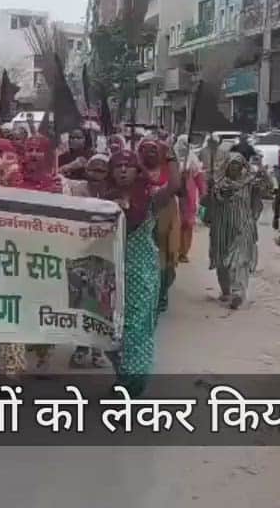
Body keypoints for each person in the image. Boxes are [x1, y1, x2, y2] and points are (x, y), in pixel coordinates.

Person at [107, 146, 180, 396]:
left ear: (137, 171)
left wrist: (171, 157)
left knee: (135, 327)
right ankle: (124, 375)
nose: (124, 170)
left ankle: (130, 385)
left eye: (129, 166)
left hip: (140, 273)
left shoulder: (150, 197)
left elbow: (173, 186)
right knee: (108, 329)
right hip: (108, 271)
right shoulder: (102, 200)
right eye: (118, 166)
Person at [0, 133, 62, 379]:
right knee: (11, 309)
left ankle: (44, 353)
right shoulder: (10, 178)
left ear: (48, 155)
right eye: (30, 149)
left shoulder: (58, 184)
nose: (34, 154)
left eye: (39, 150)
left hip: (45, 259)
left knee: (41, 309)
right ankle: (12, 368)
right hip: (13, 255)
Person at [64, 153, 116, 369]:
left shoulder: (115, 193)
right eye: (93, 169)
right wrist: (71, 164)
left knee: (101, 304)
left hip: (105, 257)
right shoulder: (75, 188)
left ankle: (97, 350)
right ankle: (80, 348)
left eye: (102, 170)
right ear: (86, 171)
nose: (96, 174)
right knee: (79, 303)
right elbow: (54, 176)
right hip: (78, 254)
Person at [207, 153, 273, 309]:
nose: (235, 167)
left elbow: (269, 188)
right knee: (222, 260)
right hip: (222, 228)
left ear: (243, 167)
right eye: (232, 164)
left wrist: (262, 169)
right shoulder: (220, 184)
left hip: (244, 226)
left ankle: (238, 292)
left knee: (240, 259)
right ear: (227, 166)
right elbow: (218, 198)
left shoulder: (250, 183)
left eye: (238, 164)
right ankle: (226, 291)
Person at [140, 139, 181, 312]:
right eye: (145, 150)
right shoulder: (136, 171)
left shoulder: (169, 172)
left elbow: (175, 187)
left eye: (154, 150)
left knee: (166, 260)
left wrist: (174, 162)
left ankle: (162, 293)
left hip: (166, 218)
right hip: (143, 219)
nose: (150, 153)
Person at [175, 135, 206, 263]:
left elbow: (199, 176)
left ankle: (184, 252)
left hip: (189, 194)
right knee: (175, 223)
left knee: (187, 224)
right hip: (175, 193)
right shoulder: (172, 156)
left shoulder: (192, 158)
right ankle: (174, 250)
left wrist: (203, 192)